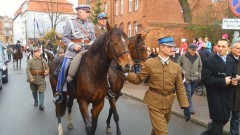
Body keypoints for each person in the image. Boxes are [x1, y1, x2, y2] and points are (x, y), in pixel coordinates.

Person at [124, 36, 190, 135]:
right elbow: (138, 79)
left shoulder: (175, 66)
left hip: (168, 103)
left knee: (157, 131)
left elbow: (180, 87)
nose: (172, 49)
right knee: (162, 132)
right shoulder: (150, 64)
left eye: (172, 47)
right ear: (161, 47)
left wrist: (185, 105)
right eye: (169, 47)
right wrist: (125, 74)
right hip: (154, 102)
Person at [53, 4, 96, 103]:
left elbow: (94, 39)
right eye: (86, 12)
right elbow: (65, 38)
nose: (88, 14)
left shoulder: (91, 25)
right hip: (73, 53)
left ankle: (107, 88)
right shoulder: (71, 23)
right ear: (79, 12)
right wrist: (73, 46)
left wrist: (90, 44)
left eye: (88, 12)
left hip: (87, 52)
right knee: (64, 68)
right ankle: (59, 92)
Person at [201, 39, 237, 135]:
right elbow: (205, 79)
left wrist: (234, 80)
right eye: (218, 46)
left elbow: (232, 74)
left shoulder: (231, 61)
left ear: (228, 48)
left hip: (227, 96)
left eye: (223, 47)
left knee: (224, 119)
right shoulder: (209, 61)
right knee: (218, 123)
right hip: (215, 97)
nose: (220, 49)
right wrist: (223, 81)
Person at [178, 44, 202, 116]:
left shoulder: (198, 56)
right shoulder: (183, 55)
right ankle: (190, 109)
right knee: (188, 93)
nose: (194, 52)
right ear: (189, 49)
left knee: (190, 94)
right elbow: (178, 64)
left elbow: (200, 66)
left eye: (195, 50)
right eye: (192, 50)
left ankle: (185, 104)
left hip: (195, 78)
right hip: (187, 78)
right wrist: (181, 70)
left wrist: (199, 74)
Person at [26, 46, 49, 111]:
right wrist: (31, 78)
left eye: (39, 52)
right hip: (33, 79)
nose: (38, 53)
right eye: (36, 52)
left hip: (41, 79)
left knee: (41, 91)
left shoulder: (43, 60)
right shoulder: (30, 61)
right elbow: (27, 70)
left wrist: (46, 72)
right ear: (34, 53)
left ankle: (41, 105)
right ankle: (36, 100)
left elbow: (47, 68)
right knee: (34, 91)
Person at [228, 40, 240, 135]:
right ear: (231, 49)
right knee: (222, 118)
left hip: (238, 95)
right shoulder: (226, 59)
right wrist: (231, 79)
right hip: (227, 93)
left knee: (236, 118)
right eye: (238, 48)